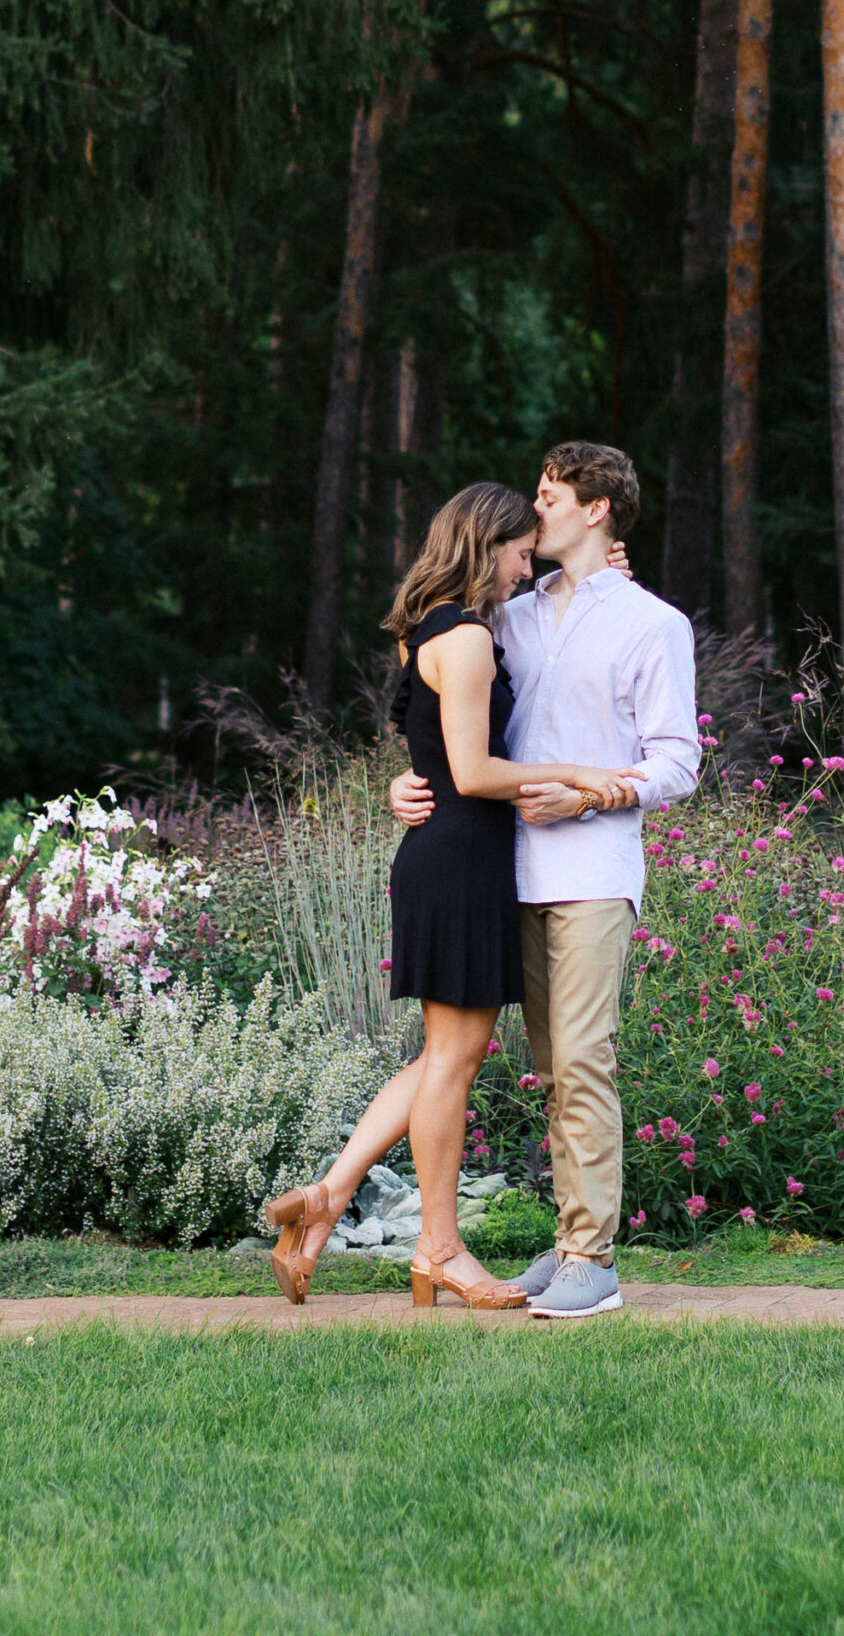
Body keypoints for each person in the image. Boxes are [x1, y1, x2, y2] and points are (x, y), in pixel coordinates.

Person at [262, 480, 642, 1311]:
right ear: (488, 547)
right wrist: (576, 772)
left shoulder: (431, 625)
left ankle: (325, 1202)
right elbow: (471, 772)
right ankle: (440, 1249)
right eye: (516, 554)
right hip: (460, 859)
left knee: (443, 1058)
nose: (522, 570)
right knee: (452, 1064)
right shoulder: (467, 636)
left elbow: (440, 755)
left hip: (448, 856)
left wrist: (603, 566)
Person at [391, 441, 699, 1320]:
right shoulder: (509, 618)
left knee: (585, 1060)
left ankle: (590, 1259)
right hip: (502, 873)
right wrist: (404, 781)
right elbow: (442, 719)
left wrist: (596, 797)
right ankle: (568, 1242)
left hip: (595, 870)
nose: (536, 510)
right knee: (549, 1068)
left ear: (595, 510)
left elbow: (678, 761)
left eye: (549, 495)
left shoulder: (653, 624)